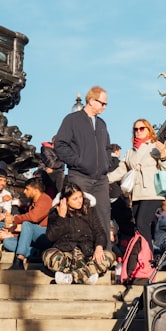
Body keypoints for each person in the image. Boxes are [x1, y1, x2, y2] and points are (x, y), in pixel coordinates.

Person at [54, 86, 112, 250]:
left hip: (100, 179)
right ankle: (79, 253)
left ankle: (105, 256)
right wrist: (78, 162)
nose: (105, 107)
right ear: (92, 101)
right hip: (80, 176)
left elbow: (107, 147)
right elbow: (60, 144)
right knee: (79, 215)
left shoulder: (102, 124)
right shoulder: (72, 120)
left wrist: (106, 163)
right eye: (102, 103)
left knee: (103, 215)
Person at [107, 119, 166, 251]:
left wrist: (163, 154)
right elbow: (121, 170)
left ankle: (148, 257)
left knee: (142, 223)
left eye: (142, 128)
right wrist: (104, 179)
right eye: (136, 129)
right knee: (138, 226)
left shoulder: (154, 146)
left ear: (149, 130)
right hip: (136, 194)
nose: (138, 132)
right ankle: (144, 255)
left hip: (152, 193)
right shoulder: (131, 152)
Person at [43, 183, 115, 285]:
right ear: (65, 200)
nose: (79, 201)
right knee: (48, 255)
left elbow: (99, 231)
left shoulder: (89, 210)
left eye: (80, 197)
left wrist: (99, 247)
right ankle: (86, 275)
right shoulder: (55, 212)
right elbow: (50, 237)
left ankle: (72, 277)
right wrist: (61, 217)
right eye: (75, 199)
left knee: (109, 256)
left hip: (87, 254)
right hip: (66, 255)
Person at [2, 175, 53, 270]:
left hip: (44, 235)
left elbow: (34, 218)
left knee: (26, 224)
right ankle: (36, 252)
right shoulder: (32, 203)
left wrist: (14, 219)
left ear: (35, 190)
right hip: (34, 239)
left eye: (27, 189)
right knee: (7, 242)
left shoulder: (45, 200)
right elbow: (28, 230)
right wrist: (12, 234)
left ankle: (19, 261)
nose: (24, 191)